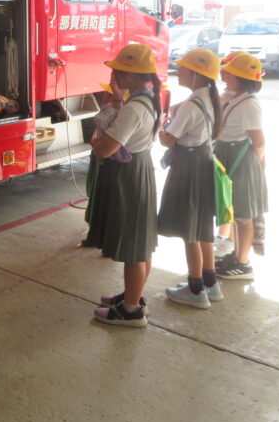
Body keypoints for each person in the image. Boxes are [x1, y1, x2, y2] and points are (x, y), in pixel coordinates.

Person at [88, 43, 162, 328]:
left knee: (134, 248)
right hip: (140, 169)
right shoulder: (149, 98)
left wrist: (97, 145)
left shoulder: (134, 108)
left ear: (133, 74)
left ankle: (130, 310)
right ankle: (134, 295)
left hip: (130, 175)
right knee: (141, 243)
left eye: (120, 70)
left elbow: (106, 149)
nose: (115, 74)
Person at [158, 49, 224, 308]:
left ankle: (196, 289)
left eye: (184, 67)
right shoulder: (209, 97)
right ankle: (210, 282)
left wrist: (163, 127)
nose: (179, 70)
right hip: (204, 159)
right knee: (203, 226)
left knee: (190, 229)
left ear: (196, 73)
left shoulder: (190, 105)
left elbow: (169, 140)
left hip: (189, 166)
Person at [214, 52, 268, 280]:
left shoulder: (249, 105)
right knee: (236, 212)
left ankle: (243, 264)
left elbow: (259, 141)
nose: (224, 74)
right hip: (231, 155)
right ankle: (236, 256)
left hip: (241, 160)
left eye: (230, 72)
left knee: (244, 215)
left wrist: (251, 168)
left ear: (241, 78)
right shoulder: (235, 97)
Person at [81, 83, 127, 248]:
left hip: (109, 156)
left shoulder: (125, 108)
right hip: (100, 153)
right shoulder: (111, 102)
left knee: (107, 198)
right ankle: (95, 233)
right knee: (96, 194)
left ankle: (104, 237)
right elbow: (100, 127)